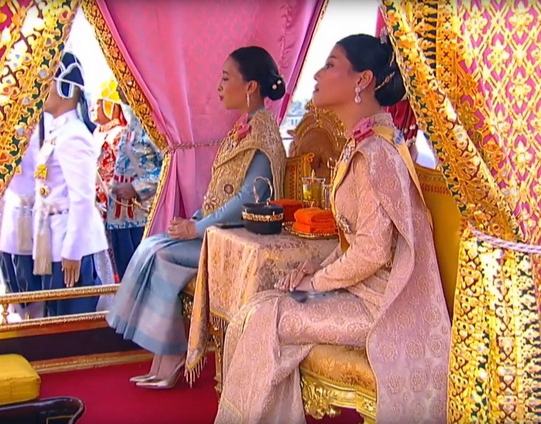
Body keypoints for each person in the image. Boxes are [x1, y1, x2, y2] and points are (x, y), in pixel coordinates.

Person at [215, 34, 451, 424]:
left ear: (363, 80)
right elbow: (355, 240)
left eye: (330, 65)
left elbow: (373, 251)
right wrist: (315, 270)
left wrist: (317, 282)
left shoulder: (377, 153)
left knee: (261, 317)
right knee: (258, 306)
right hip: (362, 292)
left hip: (384, 307)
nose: (317, 76)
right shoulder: (365, 145)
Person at [107, 46, 288, 390]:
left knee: (161, 256)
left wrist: (197, 227)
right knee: (152, 246)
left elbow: (249, 198)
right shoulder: (245, 128)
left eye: (226, 78)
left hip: (238, 239)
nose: (219, 86)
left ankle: (173, 354)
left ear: (250, 86)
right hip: (219, 230)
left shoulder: (264, 135)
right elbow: (222, 192)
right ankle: (163, 355)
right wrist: (195, 221)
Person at [32, 52, 115, 316]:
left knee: (74, 322)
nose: (42, 89)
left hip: (72, 248)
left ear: (65, 87)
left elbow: (82, 198)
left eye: (48, 81)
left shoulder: (74, 135)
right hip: (52, 241)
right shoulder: (58, 132)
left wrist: (72, 250)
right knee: (56, 318)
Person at [0, 125, 44, 318]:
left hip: (30, 221)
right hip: (3, 222)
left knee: (30, 285)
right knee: (11, 284)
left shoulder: (39, 132)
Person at [105, 87, 162, 278]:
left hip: (142, 218)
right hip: (119, 218)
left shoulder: (154, 124)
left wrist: (136, 188)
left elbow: (171, 167)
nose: (118, 89)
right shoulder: (132, 123)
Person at [93, 78, 128, 216]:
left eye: (98, 103)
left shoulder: (120, 133)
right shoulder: (98, 134)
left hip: (114, 208)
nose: (92, 108)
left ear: (110, 105)